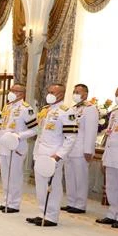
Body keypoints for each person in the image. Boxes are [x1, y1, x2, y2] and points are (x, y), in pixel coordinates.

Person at [26, 84, 78, 227]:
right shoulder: (46, 110)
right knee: (41, 186)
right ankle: (42, 213)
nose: (49, 94)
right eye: (48, 91)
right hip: (40, 153)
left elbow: (71, 137)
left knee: (53, 186)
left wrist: (58, 155)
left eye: (53, 92)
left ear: (61, 94)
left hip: (54, 155)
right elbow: (39, 132)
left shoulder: (66, 111)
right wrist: (36, 152)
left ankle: (52, 217)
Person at [0, 83, 38, 213]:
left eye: (14, 90)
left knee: (15, 176)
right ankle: (6, 201)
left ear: (22, 94)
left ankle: (14, 204)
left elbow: (35, 129)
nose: (11, 92)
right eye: (11, 90)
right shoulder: (7, 106)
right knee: (5, 176)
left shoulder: (26, 109)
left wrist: (18, 136)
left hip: (17, 147)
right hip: (4, 146)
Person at [62, 84, 99, 214]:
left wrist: (88, 150)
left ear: (85, 94)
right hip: (69, 149)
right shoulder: (72, 109)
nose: (75, 94)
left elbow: (91, 131)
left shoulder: (90, 109)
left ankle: (80, 204)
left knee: (80, 177)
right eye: (74, 91)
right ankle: (71, 202)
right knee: (69, 176)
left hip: (81, 149)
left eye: (78, 92)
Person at [96, 86, 118, 229]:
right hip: (111, 154)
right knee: (111, 186)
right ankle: (112, 213)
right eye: (116, 95)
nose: (117, 97)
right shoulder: (114, 113)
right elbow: (109, 134)